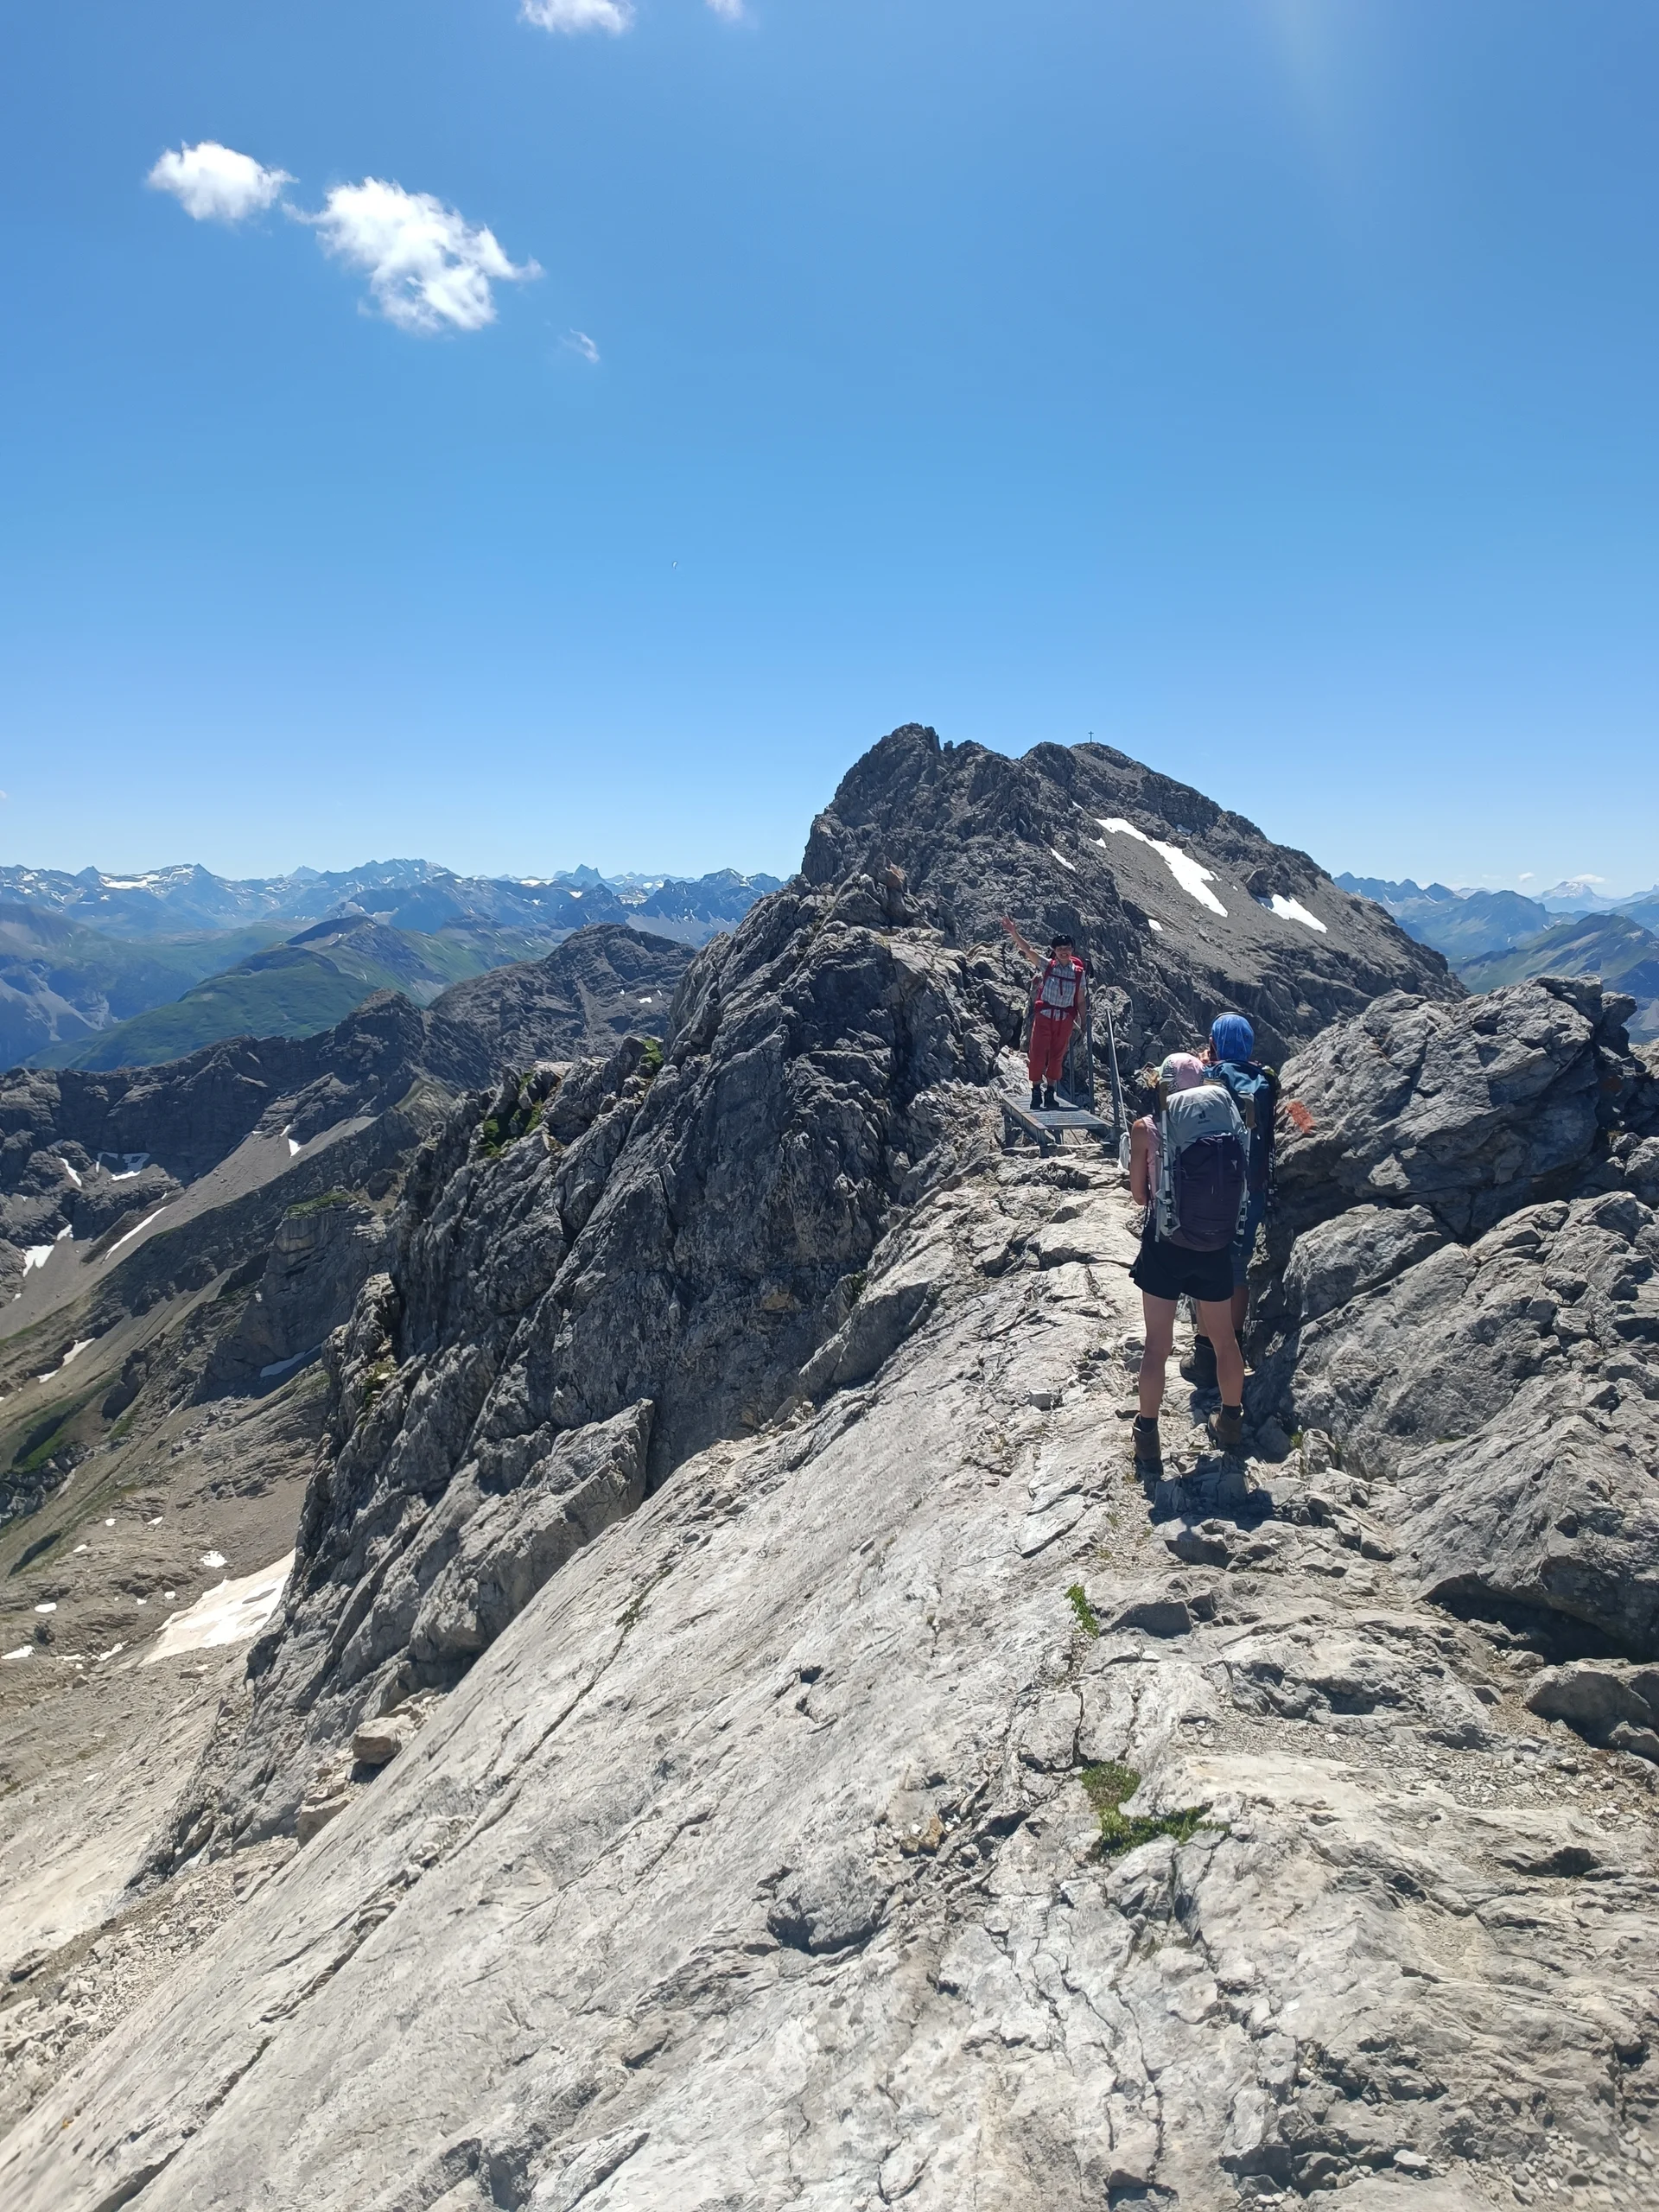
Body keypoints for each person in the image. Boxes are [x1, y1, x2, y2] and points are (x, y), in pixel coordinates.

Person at [1127, 1052, 1248, 1474]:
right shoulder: (1226, 1119)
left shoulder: (1147, 1127)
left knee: (1157, 1345)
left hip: (1166, 1244)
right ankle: (1230, 1422)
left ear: (1163, 1083)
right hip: (1215, 1242)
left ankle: (1147, 1437)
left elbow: (1140, 1197)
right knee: (1224, 1341)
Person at [1182, 1012, 1279, 1389]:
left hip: (1210, 1188)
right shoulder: (1267, 1079)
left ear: (1216, 1042)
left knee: (1207, 1264)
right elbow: (1289, 1121)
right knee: (1237, 1266)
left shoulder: (1211, 1077)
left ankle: (1206, 1355)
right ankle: (1233, 1349)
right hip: (1252, 1186)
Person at [1000, 918, 1088, 1110]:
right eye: (1059, 948)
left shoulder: (1079, 974)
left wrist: (1084, 1021)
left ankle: (1050, 1092)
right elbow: (1028, 950)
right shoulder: (1048, 966)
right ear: (1054, 951)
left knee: (1057, 1056)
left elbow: (1081, 999)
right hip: (1045, 1017)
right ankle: (1036, 1091)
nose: (1064, 951)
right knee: (1038, 1053)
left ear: (1072, 950)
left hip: (1064, 1019)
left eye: (1067, 948)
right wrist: (1014, 933)